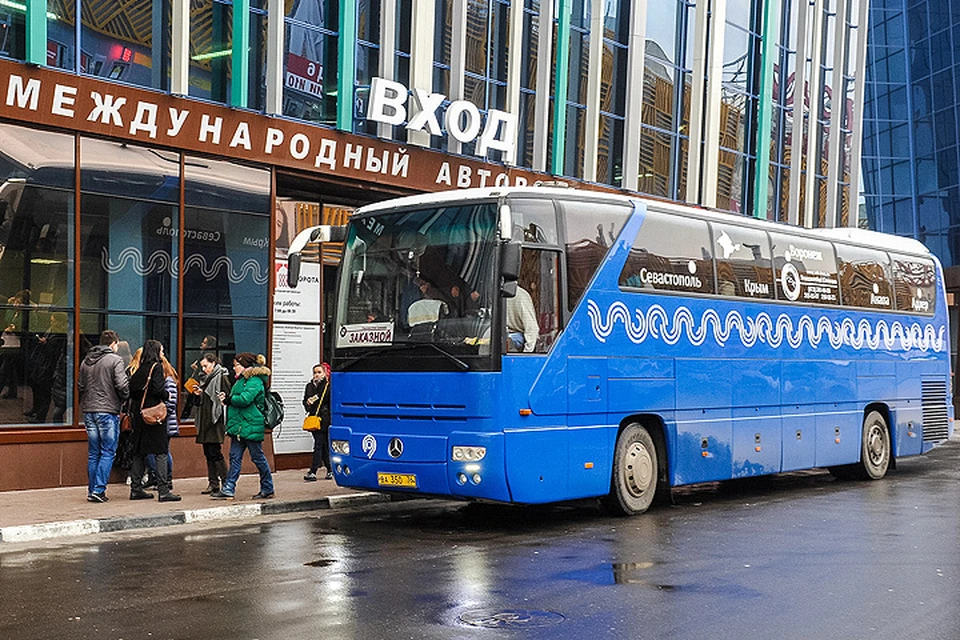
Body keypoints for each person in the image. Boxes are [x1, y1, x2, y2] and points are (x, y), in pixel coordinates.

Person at [212, 353, 275, 500]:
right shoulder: (241, 380)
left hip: (250, 425)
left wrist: (229, 399)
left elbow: (245, 399)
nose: (234, 369)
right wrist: (226, 399)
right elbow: (237, 399)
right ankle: (228, 488)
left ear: (245, 366)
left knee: (258, 457)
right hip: (239, 426)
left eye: (236, 365)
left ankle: (267, 488)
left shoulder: (255, 381)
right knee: (234, 457)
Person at [78, 330, 130, 503]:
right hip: (108, 411)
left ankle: (92, 489)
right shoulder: (115, 360)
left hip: (89, 410)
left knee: (94, 453)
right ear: (113, 344)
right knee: (108, 451)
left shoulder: (86, 361)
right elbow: (122, 385)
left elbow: (80, 386)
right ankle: (99, 490)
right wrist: (123, 399)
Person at [128, 340, 179, 502]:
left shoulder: (141, 368)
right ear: (156, 351)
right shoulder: (156, 367)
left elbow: (132, 389)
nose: (163, 354)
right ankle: (163, 490)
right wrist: (167, 395)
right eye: (161, 351)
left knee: (139, 452)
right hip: (153, 416)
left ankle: (136, 488)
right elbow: (158, 389)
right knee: (161, 451)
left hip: (139, 415)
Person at [193, 353, 230, 494]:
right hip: (205, 419)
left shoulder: (221, 376)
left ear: (214, 363)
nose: (203, 369)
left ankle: (226, 482)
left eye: (206, 366)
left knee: (215, 452)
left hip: (216, 419)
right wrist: (198, 394)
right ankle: (213, 483)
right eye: (202, 366)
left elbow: (226, 397)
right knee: (208, 452)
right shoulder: (204, 379)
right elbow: (200, 401)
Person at [145, 355, 179, 490]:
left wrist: (159, 415)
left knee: (163, 451)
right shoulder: (164, 381)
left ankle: (167, 478)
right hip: (161, 420)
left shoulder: (168, 381)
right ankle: (158, 477)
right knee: (159, 451)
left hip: (165, 421)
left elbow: (171, 403)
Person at [303, 362, 332, 481]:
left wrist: (316, 396)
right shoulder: (309, 386)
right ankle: (330, 470)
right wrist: (307, 403)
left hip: (324, 419)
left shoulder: (327, 386)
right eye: (315, 372)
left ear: (325, 374)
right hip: (314, 417)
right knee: (323, 445)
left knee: (319, 444)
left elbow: (327, 400)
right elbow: (305, 401)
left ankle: (313, 471)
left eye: (319, 372)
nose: (316, 375)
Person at [181, 335, 217, 420]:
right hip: (198, 382)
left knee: (193, 402)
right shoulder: (202, 354)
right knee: (192, 401)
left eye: (204, 343)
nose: (201, 344)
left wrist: (198, 369)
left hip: (201, 382)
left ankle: (185, 418)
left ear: (210, 345)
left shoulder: (208, 356)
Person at [506, 285, 539, 353]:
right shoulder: (492, 294)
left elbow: (532, 328)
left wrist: (526, 353)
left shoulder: (521, 296)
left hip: (516, 335)